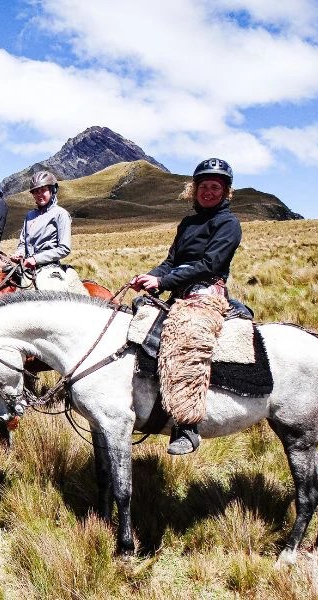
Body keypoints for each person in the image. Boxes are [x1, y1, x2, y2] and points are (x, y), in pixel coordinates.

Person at [130, 157, 245, 455]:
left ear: (226, 192)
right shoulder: (188, 223)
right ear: (194, 190)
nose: (208, 191)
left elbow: (209, 264)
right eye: (203, 186)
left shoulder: (229, 224)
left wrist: (163, 283)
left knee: (187, 338)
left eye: (215, 187)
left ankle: (187, 425)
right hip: (177, 290)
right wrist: (150, 276)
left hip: (205, 293)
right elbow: (171, 261)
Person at [10, 171, 87, 294]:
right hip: (28, 269)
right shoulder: (30, 215)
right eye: (36, 192)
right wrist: (19, 253)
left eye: (43, 190)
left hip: (49, 268)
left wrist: (36, 259)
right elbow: (23, 243)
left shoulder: (60, 214)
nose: (39, 195)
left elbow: (64, 248)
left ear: (52, 190)